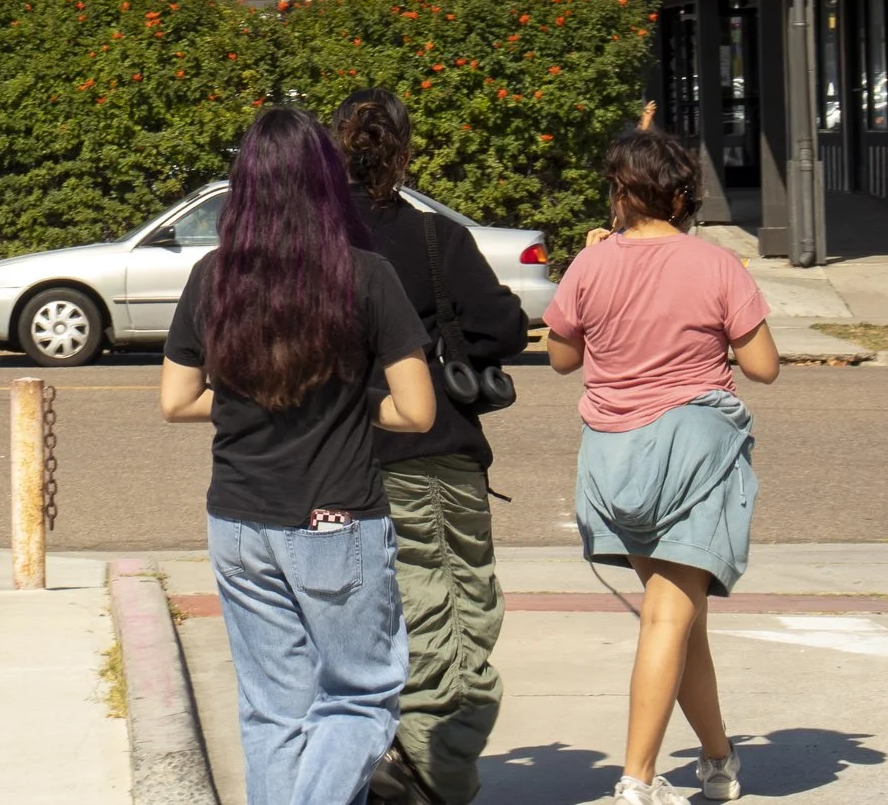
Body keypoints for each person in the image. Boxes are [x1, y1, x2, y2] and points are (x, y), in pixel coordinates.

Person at [160, 107, 439, 805]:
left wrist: (251, 399)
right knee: (360, 696)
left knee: (272, 708)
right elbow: (417, 411)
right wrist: (350, 402)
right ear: (328, 182)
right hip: (334, 518)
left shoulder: (212, 277)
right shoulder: (366, 276)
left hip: (237, 521)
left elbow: (177, 399)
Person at [543, 127, 782, 805]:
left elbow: (561, 357)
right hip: (692, 458)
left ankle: (718, 759)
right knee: (668, 619)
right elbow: (763, 366)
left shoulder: (590, 264)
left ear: (620, 192)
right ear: (683, 196)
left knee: (679, 615)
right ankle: (638, 780)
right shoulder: (715, 265)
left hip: (614, 460)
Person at [330, 90, 530, 805]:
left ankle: (379, 756)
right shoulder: (433, 237)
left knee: (360, 623)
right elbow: (503, 326)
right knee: (452, 614)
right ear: (404, 152)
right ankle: (428, 771)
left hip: (329, 459)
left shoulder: (315, 242)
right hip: (429, 455)